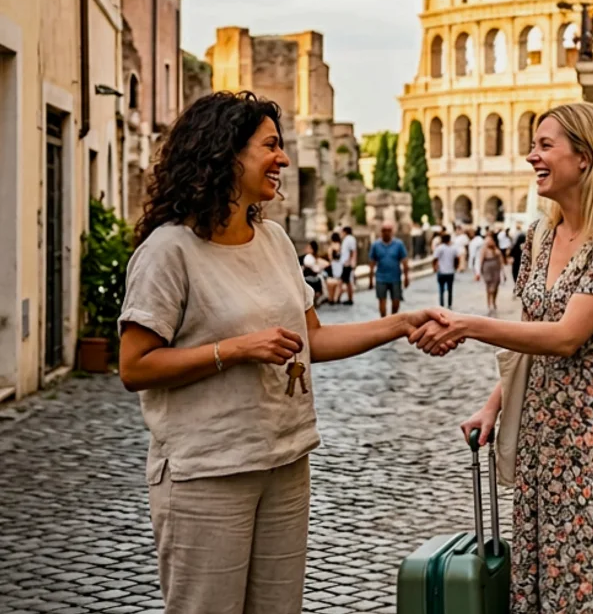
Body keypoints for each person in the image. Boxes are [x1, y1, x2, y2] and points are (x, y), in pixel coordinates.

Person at [117, 91, 449, 614]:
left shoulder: (273, 240)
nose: (284, 159)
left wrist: (400, 324)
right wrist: (236, 349)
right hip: (209, 471)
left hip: (286, 460)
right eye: (271, 145)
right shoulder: (168, 250)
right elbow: (135, 366)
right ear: (226, 152)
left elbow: (312, 339)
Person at [412, 102, 593, 614]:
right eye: (534, 146)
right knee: (544, 578)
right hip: (540, 439)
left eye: (546, 146)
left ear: (585, 158)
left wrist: (467, 324)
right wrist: (493, 406)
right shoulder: (540, 239)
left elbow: (566, 337)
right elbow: (529, 341)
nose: (531, 157)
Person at [370, 221, 411, 318]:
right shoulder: (376, 245)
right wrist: (371, 279)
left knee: (396, 301)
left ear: (392, 232)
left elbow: (404, 261)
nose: (386, 233)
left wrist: (406, 277)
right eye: (384, 230)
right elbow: (372, 263)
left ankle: (393, 318)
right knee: (382, 301)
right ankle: (384, 320)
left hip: (395, 278)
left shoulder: (399, 244)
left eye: (388, 230)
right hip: (381, 278)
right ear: (381, 232)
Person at [477, 232, 505, 314]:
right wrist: (479, 271)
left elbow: (501, 260)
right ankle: (489, 303)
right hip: (487, 269)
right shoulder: (484, 250)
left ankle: (494, 301)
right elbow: (481, 260)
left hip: (496, 269)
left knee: (496, 286)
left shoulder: (496, 249)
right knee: (488, 287)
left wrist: (503, 272)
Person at [433, 230, 460, 309]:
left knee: (441, 290)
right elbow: (457, 258)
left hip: (441, 271)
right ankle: (449, 304)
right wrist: (455, 266)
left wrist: (434, 267)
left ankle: (441, 305)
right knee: (450, 289)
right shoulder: (453, 248)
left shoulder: (439, 248)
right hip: (450, 272)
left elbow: (435, 259)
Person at [301, 241, 328, 305]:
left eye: (309, 248)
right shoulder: (307, 257)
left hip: (312, 277)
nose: (307, 249)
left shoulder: (312, 258)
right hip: (309, 277)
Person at [339, 225, 358, 306]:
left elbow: (352, 251)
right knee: (347, 281)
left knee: (347, 281)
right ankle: (349, 298)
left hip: (347, 263)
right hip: (346, 263)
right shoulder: (347, 239)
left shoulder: (349, 239)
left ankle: (349, 298)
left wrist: (349, 261)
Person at [326, 231, 343, 303]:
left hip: (334, 264)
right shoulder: (340, 246)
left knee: (333, 282)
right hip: (340, 264)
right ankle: (337, 297)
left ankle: (331, 298)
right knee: (339, 282)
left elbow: (330, 257)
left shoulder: (331, 246)